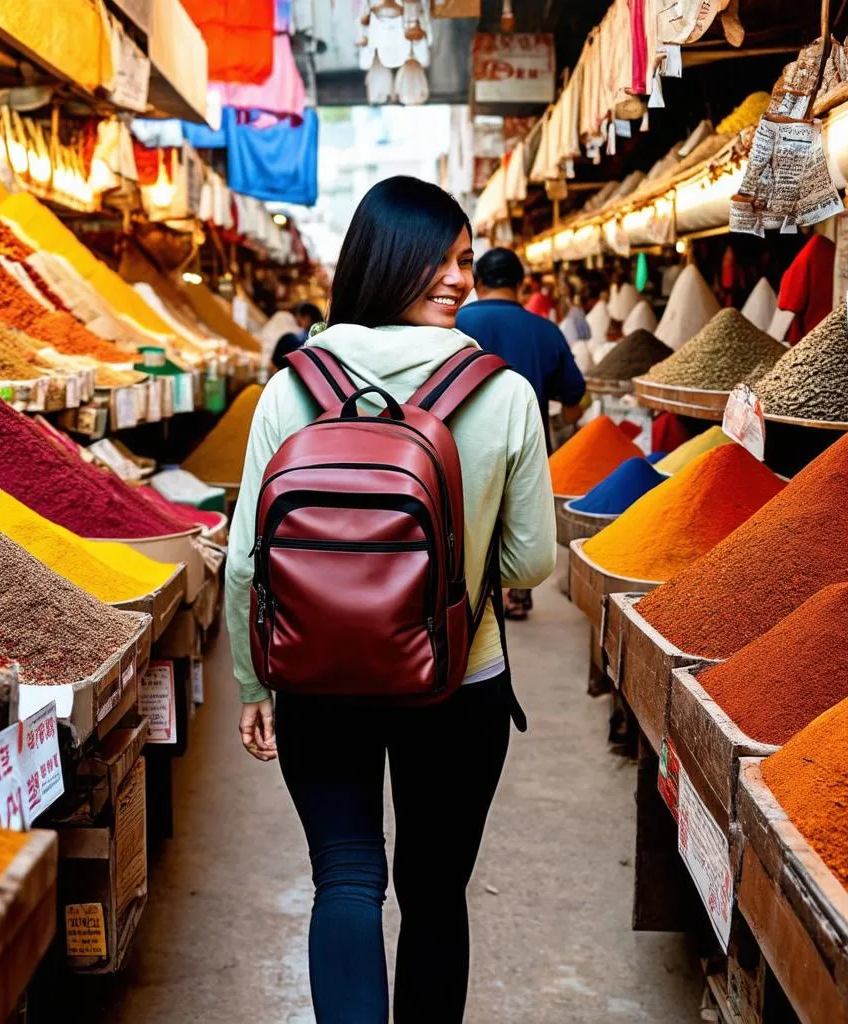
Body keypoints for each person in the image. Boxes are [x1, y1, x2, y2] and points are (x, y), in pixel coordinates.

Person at [225, 176, 555, 1024]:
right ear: (390, 259)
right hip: (458, 681)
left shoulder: (291, 388)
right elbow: (528, 563)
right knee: (436, 892)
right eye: (442, 258)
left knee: (344, 873)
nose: (460, 277)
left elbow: (241, 566)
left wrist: (253, 685)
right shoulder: (505, 392)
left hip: (316, 677)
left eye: (465, 259)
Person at [455, 247, 586, 621]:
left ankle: (465, 593)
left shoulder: (452, 324)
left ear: (477, 282)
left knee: (468, 521)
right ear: (520, 285)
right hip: (527, 445)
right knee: (522, 521)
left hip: (461, 447)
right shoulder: (545, 331)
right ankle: (515, 596)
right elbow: (575, 398)